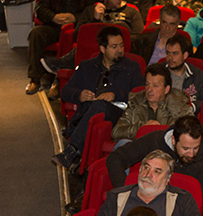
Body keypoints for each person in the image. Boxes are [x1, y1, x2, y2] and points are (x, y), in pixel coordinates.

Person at [53, 26, 144, 169]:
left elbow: (140, 95)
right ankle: (79, 158)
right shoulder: (87, 66)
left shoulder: (132, 67)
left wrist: (115, 95)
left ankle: (72, 151)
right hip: (89, 113)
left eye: (121, 45)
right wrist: (80, 95)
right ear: (102, 49)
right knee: (96, 109)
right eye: (114, 46)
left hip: (120, 114)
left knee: (100, 105)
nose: (119, 50)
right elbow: (65, 91)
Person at [25, 0, 97, 95]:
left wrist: (75, 17)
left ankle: (58, 81)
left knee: (68, 36)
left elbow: (94, 12)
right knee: (36, 33)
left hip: (76, 30)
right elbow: (39, 9)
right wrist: (53, 17)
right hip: (54, 27)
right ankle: (34, 79)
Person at [105, 114, 203, 193]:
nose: (191, 154)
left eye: (196, 148)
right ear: (173, 140)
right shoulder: (154, 141)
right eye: (186, 148)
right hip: (146, 201)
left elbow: (199, 198)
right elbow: (115, 158)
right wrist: (124, 193)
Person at [112, 62, 193, 144]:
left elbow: (190, 131)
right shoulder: (136, 101)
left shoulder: (179, 103)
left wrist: (161, 130)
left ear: (166, 89)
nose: (149, 90)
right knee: (123, 143)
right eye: (147, 85)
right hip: (139, 146)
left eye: (155, 86)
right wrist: (142, 128)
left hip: (167, 147)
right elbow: (116, 132)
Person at [164, 33, 203, 112]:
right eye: (168, 53)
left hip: (188, 116)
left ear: (185, 55)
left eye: (175, 53)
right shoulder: (157, 72)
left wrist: (189, 107)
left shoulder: (198, 75)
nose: (170, 57)